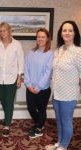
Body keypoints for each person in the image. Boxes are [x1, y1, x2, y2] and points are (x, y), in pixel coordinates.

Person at [45, 21, 81, 150]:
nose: (67, 33)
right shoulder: (58, 50)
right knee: (59, 120)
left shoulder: (78, 52)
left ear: (75, 33)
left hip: (69, 94)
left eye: (70, 30)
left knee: (66, 121)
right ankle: (59, 143)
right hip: (57, 93)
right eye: (64, 30)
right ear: (61, 33)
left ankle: (64, 146)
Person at [0, 22, 24, 137]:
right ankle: (8, 118)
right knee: (2, 99)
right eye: (0, 31)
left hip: (12, 78)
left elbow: (21, 61)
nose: (2, 33)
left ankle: (7, 125)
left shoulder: (17, 44)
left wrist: (19, 77)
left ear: (9, 31)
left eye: (4, 30)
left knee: (9, 101)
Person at [24, 28, 53, 139]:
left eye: (43, 37)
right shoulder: (31, 52)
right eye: (38, 36)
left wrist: (38, 87)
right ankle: (39, 123)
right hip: (30, 87)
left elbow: (48, 72)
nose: (40, 39)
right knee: (31, 108)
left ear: (47, 39)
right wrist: (28, 84)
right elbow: (26, 68)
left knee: (41, 110)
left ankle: (39, 129)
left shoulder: (50, 54)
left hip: (43, 89)